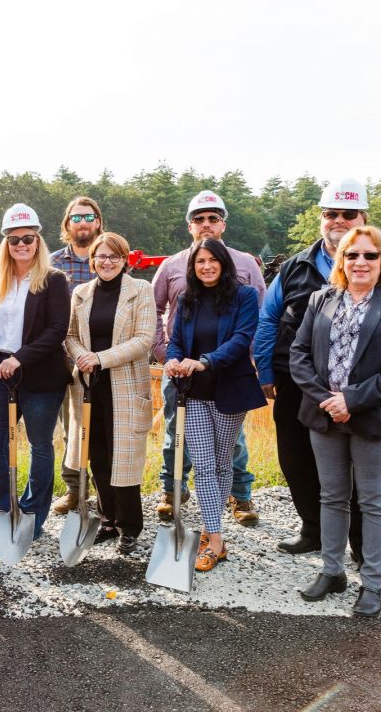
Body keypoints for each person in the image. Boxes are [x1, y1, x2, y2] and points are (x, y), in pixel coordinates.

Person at [255, 179, 381, 556]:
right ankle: (314, 531)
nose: (339, 221)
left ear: (364, 217)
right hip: (303, 385)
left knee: (362, 476)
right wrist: (265, 370)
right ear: (321, 218)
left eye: (349, 214)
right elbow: (269, 319)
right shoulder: (295, 266)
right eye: (332, 213)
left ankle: (362, 547)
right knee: (297, 461)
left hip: (369, 388)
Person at [289, 226, 381, 616]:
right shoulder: (320, 299)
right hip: (324, 414)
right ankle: (332, 572)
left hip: (376, 416)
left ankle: (374, 584)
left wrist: (352, 399)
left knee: (373, 500)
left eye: (370, 255)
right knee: (331, 496)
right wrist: (328, 401)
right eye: (352, 254)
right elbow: (298, 353)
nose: (360, 262)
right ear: (341, 260)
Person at [152, 190, 266, 527]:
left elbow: (259, 317)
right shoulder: (171, 267)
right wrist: (165, 354)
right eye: (199, 219)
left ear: (223, 224)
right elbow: (155, 312)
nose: (206, 225)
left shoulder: (245, 264)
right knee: (177, 431)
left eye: (212, 219)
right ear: (190, 226)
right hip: (181, 369)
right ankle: (173, 490)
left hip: (228, 369)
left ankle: (239, 493)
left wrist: (246, 361)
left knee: (232, 438)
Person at [164, 239, 267, 571]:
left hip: (229, 391)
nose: (206, 266)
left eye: (212, 260)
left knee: (223, 465)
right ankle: (216, 539)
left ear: (223, 263)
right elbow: (176, 339)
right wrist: (172, 360)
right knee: (205, 466)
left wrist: (205, 362)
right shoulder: (187, 299)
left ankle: (211, 530)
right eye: (199, 262)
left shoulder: (245, 296)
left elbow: (241, 339)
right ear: (192, 267)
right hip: (192, 392)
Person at [0, 204, 71, 538]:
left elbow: (57, 329)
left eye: (27, 238)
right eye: (14, 239)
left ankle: (32, 514)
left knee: (39, 443)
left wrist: (21, 357)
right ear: (6, 242)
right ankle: (1, 508)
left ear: (37, 240)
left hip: (41, 376)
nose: (21, 244)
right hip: (2, 375)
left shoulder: (54, 280)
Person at [64, 232, 155, 554]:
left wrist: (101, 358)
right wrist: (81, 356)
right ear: (92, 261)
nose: (107, 262)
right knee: (98, 455)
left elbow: (144, 339)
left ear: (125, 260)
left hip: (126, 387)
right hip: (90, 387)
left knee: (124, 457)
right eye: (101, 256)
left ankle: (130, 525)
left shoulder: (140, 290)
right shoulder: (81, 293)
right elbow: (71, 335)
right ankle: (107, 519)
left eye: (114, 256)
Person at [49, 196, 104, 514]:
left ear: (98, 222)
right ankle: (74, 490)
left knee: (104, 429)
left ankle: (103, 490)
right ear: (67, 224)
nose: (83, 223)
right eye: (76, 218)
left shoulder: (110, 257)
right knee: (73, 430)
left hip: (106, 360)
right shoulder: (54, 262)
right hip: (67, 361)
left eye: (89, 217)